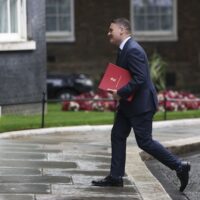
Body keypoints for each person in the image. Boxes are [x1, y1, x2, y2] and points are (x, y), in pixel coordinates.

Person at [92, 18, 190, 192]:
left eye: (111, 30)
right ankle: (115, 177)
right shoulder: (124, 50)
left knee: (144, 142)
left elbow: (140, 79)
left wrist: (119, 92)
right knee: (117, 135)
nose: (108, 33)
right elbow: (126, 76)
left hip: (141, 105)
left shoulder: (133, 50)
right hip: (128, 104)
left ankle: (179, 166)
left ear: (122, 30)